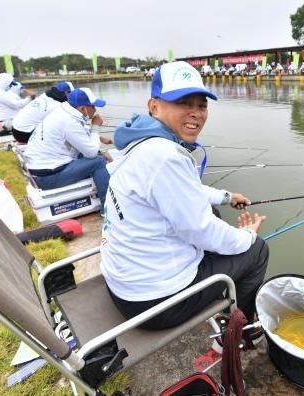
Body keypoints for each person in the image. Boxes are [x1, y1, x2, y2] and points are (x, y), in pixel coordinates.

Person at [101, 61, 269, 335]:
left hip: (125, 284)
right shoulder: (165, 156)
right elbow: (199, 229)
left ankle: (226, 299)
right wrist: (246, 236)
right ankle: (244, 327)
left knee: (212, 215)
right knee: (257, 251)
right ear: (154, 106)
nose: (195, 113)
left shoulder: (143, 142)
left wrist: (226, 197)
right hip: (154, 303)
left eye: (201, 105)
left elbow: (185, 192)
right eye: (183, 102)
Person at [22, 88, 112, 205]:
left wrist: (100, 146)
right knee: (98, 161)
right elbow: (91, 153)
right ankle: (108, 208)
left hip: (39, 170)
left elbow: (81, 137)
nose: (95, 110)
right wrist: (95, 126)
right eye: (93, 107)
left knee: (92, 155)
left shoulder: (63, 111)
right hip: (47, 177)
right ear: (83, 108)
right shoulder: (70, 121)